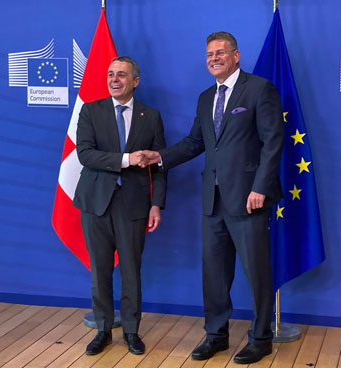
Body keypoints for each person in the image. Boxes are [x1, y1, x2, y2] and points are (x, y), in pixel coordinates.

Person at [141, 32, 283, 364]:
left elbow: (273, 142)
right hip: (213, 200)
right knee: (214, 273)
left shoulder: (259, 89)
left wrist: (260, 187)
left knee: (257, 273)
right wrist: (158, 157)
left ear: (236, 55)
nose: (214, 58)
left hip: (249, 199)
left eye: (220, 52)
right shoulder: (206, 97)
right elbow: (195, 143)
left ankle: (261, 338)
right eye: (209, 54)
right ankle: (216, 335)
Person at [72, 56, 166, 356]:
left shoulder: (150, 116)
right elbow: (85, 154)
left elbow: (160, 165)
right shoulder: (91, 110)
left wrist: (157, 204)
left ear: (135, 81)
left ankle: (131, 331)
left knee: (131, 271)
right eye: (111, 74)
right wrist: (126, 160)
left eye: (122, 75)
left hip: (134, 206)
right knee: (99, 270)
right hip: (95, 203)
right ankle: (102, 329)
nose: (115, 79)